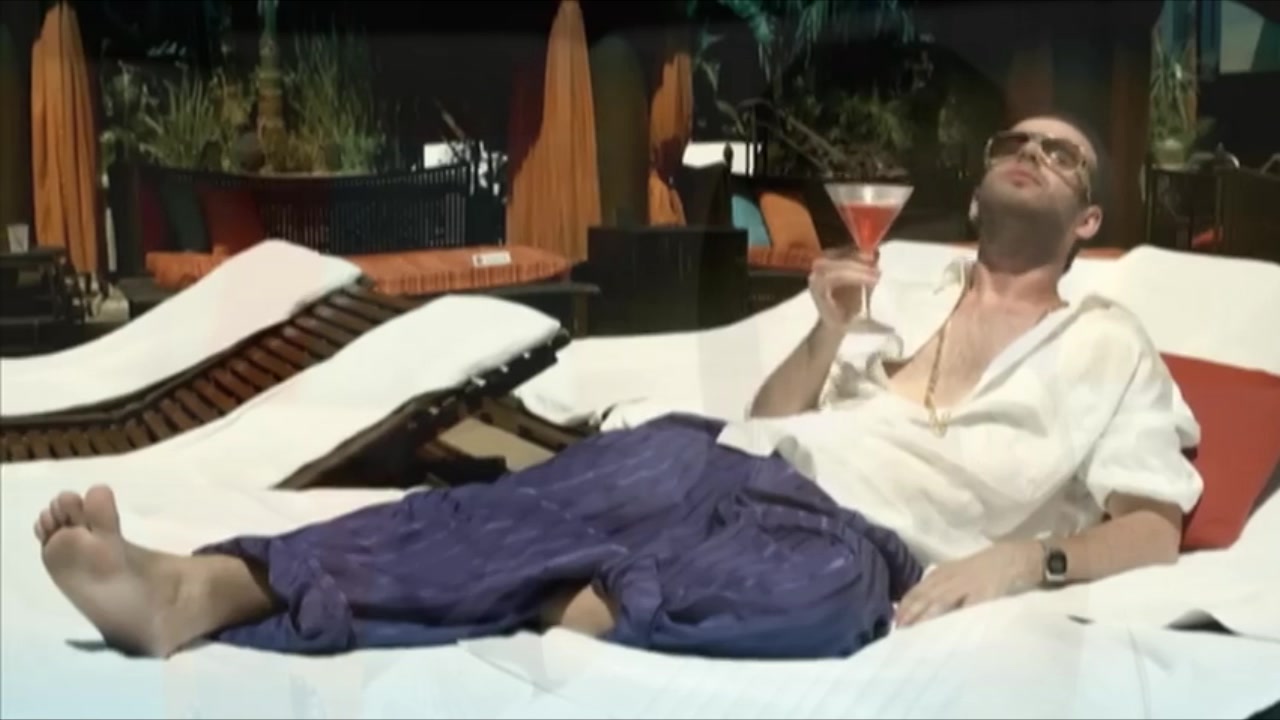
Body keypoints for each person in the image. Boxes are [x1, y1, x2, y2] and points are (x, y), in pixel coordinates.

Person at [34, 115, 1201, 661]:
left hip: (858, 543)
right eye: (1012, 143)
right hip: (726, 465)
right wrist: (822, 330)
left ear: (1085, 218)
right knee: (487, 513)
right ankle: (199, 585)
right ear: (982, 186)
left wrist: (1022, 562)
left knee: (819, 601)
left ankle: (554, 593)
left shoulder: (1108, 345)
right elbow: (771, 424)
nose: (1028, 154)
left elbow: (1151, 528)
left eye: (1059, 154)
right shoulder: (903, 294)